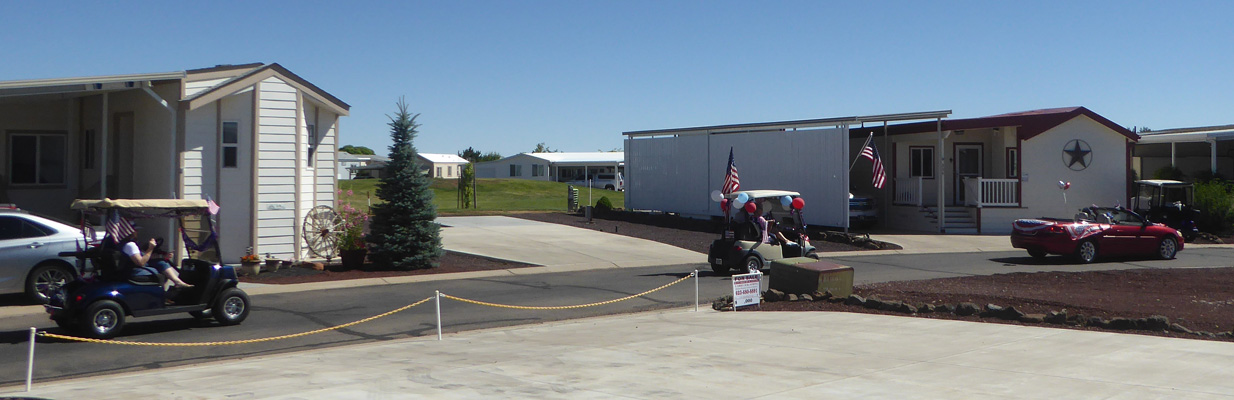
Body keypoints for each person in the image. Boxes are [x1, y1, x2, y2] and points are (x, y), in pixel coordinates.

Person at [122, 236, 193, 288]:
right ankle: (164, 294)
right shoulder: (130, 245)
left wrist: (162, 256)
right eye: (135, 230)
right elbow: (141, 262)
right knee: (161, 274)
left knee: (161, 262)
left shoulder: (127, 244)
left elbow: (145, 256)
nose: (137, 232)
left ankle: (177, 282)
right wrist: (151, 248)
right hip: (135, 271)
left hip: (134, 268)